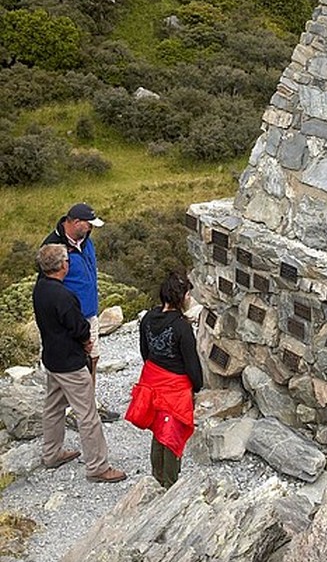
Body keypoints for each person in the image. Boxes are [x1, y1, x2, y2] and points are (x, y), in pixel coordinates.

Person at [32, 243, 126, 483]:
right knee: (87, 414)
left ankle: (51, 453)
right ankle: (97, 466)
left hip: (52, 358)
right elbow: (79, 327)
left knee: (53, 407)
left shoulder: (40, 288)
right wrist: (86, 341)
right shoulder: (64, 296)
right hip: (70, 363)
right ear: (63, 265)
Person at [125, 271, 203, 489]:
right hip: (174, 388)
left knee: (159, 429)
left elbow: (144, 350)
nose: (189, 298)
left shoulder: (148, 318)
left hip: (152, 380)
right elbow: (191, 363)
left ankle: (156, 476)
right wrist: (197, 386)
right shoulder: (182, 327)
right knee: (171, 434)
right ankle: (169, 484)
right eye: (187, 294)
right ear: (181, 297)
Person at [42, 202, 118, 421]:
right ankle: (73, 411)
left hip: (89, 311)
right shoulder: (53, 246)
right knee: (74, 363)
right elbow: (48, 284)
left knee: (93, 357)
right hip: (69, 315)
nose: (91, 228)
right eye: (88, 224)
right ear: (75, 222)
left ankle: (88, 404)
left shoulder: (86, 241)